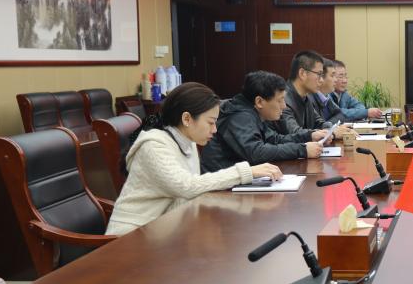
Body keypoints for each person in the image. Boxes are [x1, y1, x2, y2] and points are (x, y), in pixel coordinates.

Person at [106, 82, 282, 236]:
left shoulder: (188, 142)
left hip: (164, 233)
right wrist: (245, 172)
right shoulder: (154, 145)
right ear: (187, 119)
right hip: (130, 237)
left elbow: (193, 191)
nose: (215, 129)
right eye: (210, 122)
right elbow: (187, 187)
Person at [200, 71, 325, 173]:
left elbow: (274, 139)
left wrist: (309, 135)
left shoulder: (252, 111)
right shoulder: (239, 116)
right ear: (259, 102)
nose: (284, 106)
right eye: (280, 100)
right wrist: (302, 150)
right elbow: (256, 152)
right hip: (221, 187)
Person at [282, 50, 338, 133]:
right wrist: (331, 133)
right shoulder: (282, 100)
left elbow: (318, 123)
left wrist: (335, 128)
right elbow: (295, 132)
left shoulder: (306, 97)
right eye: (319, 74)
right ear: (302, 73)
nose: (321, 80)